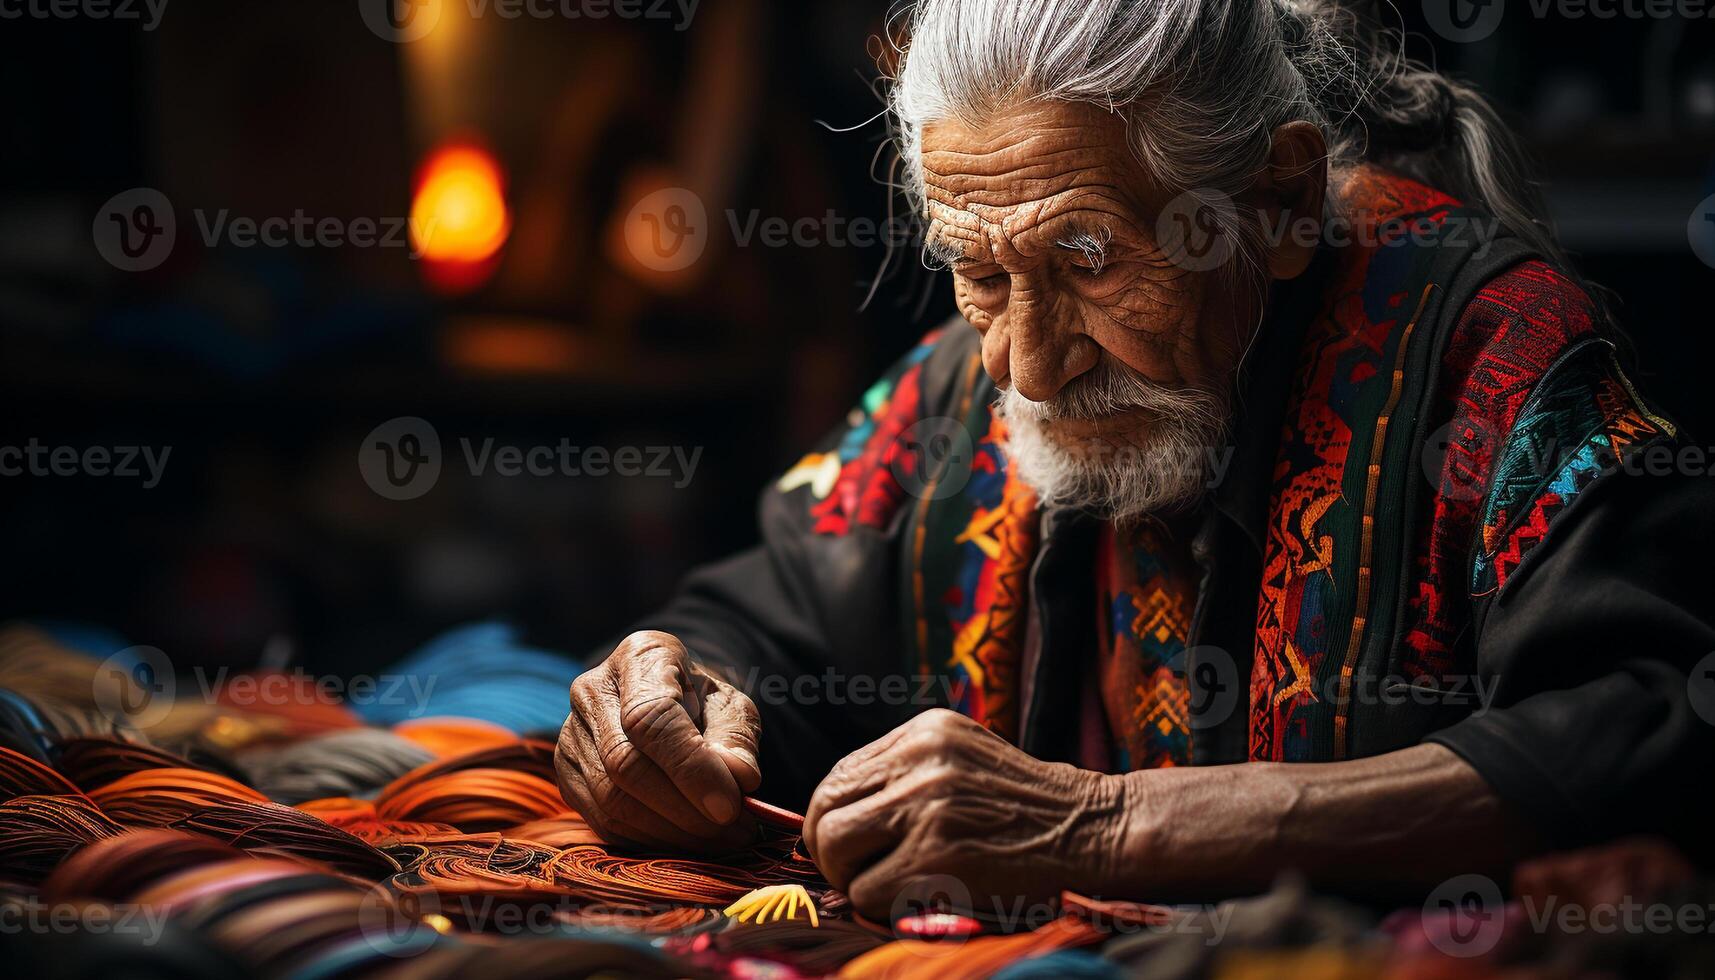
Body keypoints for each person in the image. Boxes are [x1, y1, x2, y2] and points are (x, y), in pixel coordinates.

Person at [553, 0, 1715, 918]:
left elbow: (1653, 714)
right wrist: (668, 700)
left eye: (1093, 260)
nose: (1030, 363)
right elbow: (761, 620)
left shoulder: (1488, 358)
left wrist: (1106, 828)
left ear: (1275, 197)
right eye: (979, 270)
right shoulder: (961, 386)